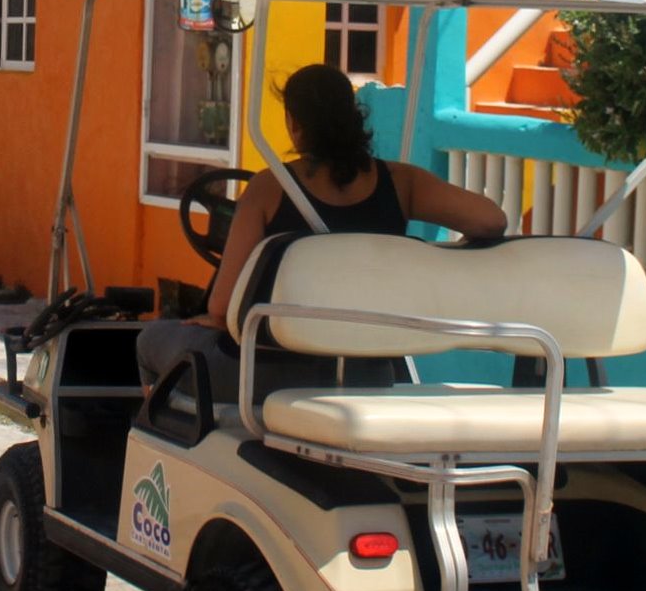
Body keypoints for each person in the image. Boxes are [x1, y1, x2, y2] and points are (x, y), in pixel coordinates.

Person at [136, 62, 508, 403]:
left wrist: (213, 320)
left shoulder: (269, 188)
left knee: (147, 340)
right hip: (368, 371)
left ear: (295, 125)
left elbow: (221, 308)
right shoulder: (401, 182)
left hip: (261, 374)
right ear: (352, 117)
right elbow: (491, 220)